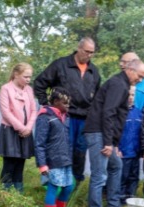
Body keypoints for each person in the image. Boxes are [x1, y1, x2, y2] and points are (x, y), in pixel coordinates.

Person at [84, 59, 144, 207]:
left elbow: (118, 118)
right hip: (98, 132)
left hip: (105, 135)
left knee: (116, 165)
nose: (140, 80)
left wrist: (115, 144)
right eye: (139, 76)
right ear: (130, 70)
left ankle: (113, 204)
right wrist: (107, 142)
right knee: (99, 175)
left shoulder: (124, 85)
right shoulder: (118, 84)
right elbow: (108, 113)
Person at [34, 37, 101, 185]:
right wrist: (46, 105)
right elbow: (39, 83)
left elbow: (97, 97)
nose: (89, 55)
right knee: (61, 150)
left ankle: (74, 184)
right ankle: (52, 182)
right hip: (63, 116)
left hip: (84, 118)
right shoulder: (61, 64)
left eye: (92, 53)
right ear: (79, 48)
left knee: (80, 152)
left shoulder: (94, 71)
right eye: (86, 51)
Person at [34, 87, 75, 207]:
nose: (68, 106)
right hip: (52, 161)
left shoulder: (66, 118)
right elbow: (39, 143)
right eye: (65, 103)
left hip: (65, 159)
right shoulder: (45, 117)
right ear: (56, 101)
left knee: (69, 187)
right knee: (53, 188)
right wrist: (42, 165)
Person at [0, 63, 37, 193]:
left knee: (20, 164)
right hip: (11, 130)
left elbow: (34, 110)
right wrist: (21, 128)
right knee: (9, 164)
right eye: (26, 77)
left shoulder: (29, 90)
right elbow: (6, 112)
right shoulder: (6, 89)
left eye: (30, 77)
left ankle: (19, 194)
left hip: (26, 131)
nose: (28, 80)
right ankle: (4, 194)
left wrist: (28, 127)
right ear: (16, 75)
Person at [119, 85, 143, 203]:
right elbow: (115, 132)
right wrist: (117, 148)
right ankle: (121, 200)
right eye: (128, 94)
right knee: (123, 177)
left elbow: (142, 133)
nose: (130, 97)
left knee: (134, 177)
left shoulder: (139, 113)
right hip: (123, 152)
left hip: (136, 153)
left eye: (133, 95)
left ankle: (131, 199)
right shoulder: (120, 112)